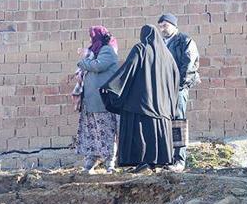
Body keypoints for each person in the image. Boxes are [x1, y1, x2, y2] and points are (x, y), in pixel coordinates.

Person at [100, 24, 179, 173]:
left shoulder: (141, 49)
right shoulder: (168, 56)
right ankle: (156, 163)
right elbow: (175, 79)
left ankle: (142, 162)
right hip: (163, 108)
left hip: (141, 103)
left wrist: (110, 86)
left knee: (140, 131)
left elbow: (128, 69)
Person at [74, 26, 120, 174]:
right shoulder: (94, 52)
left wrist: (82, 62)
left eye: (91, 37)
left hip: (102, 102)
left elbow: (99, 65)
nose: (89, 40)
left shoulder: (107, 50)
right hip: (90, 102)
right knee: (91, 133)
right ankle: (90, 163)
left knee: (105, 133)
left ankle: (109, 165)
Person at [157, 13, 200, 172]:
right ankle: (166, 158)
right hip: (162, 89)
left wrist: (179, 85)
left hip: (178, 89)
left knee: (178, 122)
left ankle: (179, 160)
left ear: (174, 25)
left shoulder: (184, 41)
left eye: (165, 25)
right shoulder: (159, 43)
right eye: (160, 26)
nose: (162, 29)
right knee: (164, 122)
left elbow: (189, 65)